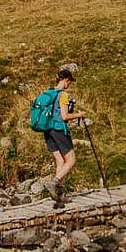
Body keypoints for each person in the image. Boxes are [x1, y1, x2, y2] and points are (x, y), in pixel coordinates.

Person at [42, 68, 86, 205]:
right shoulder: (63, 95)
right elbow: (64, 116)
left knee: (60, 162)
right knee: (71, 160)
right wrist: (79, 115)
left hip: (47, 130)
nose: (69, 85)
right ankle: (53, 183)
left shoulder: (49, 92)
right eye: (70, 82)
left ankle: (59, 197)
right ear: (66, 80)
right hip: (59, 130)